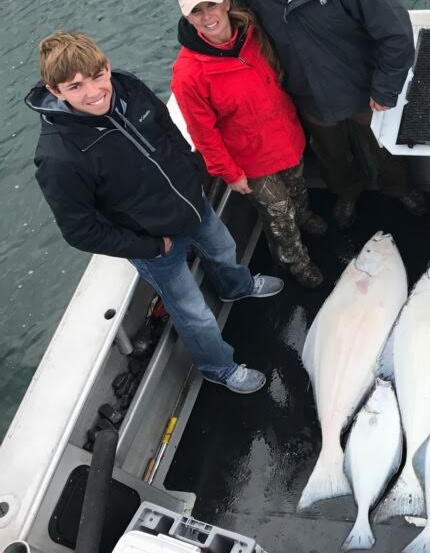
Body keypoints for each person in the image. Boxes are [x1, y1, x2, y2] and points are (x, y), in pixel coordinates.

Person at [28, 32, 282, 394]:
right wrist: (149, 246)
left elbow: (166, 128)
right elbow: (79, 230)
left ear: (107, 67)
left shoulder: (128, 87)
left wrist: (194, 173)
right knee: (193, 313)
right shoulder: (58, 157)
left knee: (224, 249)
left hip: (192, 204)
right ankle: (219, 368)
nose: (94, 91)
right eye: (76, 86)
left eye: (98, 76)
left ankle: (236, 287)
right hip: (153, 243)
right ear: (56, 91)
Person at [225, 0, 428, 230]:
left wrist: (386, 88)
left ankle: (401, 188)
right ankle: (347, 193)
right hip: (307, 95)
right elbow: (246, 35)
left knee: (384, 149)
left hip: (364, 90)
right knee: (331, 154)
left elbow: (396, 33)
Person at [171, 0, 326, 289]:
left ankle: (304, 216)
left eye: (211, 5)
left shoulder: (255, 31)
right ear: (187, 17)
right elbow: (203, 133)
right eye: (196, 11)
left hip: (287, 137)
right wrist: (229, 173)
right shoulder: (187, 74)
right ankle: (293, 260)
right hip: (250, 161)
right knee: (278, 212)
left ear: (225, 2)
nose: (207, 16)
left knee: (297, 190)